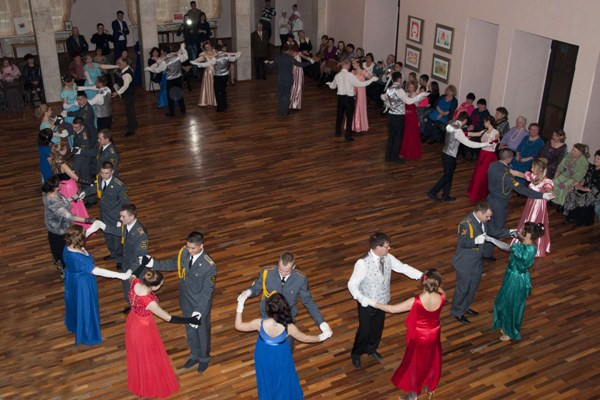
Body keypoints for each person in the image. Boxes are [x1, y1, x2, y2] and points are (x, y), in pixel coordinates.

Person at [235, 292, 332, 400]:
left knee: (265, 375)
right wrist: (322, 336)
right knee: (282, 377)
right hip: (280, 355)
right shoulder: (289, 327)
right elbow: (305, 338)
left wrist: (240, 304)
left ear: (269, 309)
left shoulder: (259, 323)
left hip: (263, 353)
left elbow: (239, 326)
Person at [347, 232, 423, 368]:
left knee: (377, 328)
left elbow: (403, 268)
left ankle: (371, 349)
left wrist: (422, 276)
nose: (389, 248)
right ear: (377, 247)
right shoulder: (362, 263)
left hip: (383, 302)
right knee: (364, 330)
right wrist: (362, 299)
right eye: (386, 246)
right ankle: (356, 354)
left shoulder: (388, 258)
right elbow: (352, 284)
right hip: (367, 304)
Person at [144, 231, 216, 373]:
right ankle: (194, 355)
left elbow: (207, 291)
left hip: (200, 304)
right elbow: (174, 263)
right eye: (188, 247)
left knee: (202, 332)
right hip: (185, 300)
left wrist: (199, 311)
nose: (189, 250)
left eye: (192, 248)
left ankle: (204, 358)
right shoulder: (184, 252)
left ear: (201, 246)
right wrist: (154, 263)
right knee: (190, 330)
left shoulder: (209, 265)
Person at [126, 269, 200, 398]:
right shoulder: (149, 301)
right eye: (160, 284)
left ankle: (140, 374)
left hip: (133, 320)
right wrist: (191, 320)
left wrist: (143, 264)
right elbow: (168, 318)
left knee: (140, 352)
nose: (161, 286)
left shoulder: (135, 283)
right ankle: (149, 381)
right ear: (154, 287)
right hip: (143, 328)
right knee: (148, 355)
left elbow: (131, 275)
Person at [371, 269, 444, 400]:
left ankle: (412, 396)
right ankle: (430, 387)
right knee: (432, 359)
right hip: (434, 333)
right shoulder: (442, 295)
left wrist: (373, 303)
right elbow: (439, 289)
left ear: (423, 282)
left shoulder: (416, 301)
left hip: (420, 336)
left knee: (416, 364)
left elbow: (392, 309)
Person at [237, 252, 332, 352]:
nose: (282, 273)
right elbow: (256, 287)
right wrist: (248, 292)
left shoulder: (300, 279)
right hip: (268, 315)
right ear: (278, 263)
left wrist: (322, 323)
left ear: (294, 267)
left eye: (286, 271)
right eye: (280, 269)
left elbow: (308, 302)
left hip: (287, 319)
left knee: (287, 349)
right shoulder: (266, 272)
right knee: (267, 345)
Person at [63, 224, 130, 346]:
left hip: (73, 280)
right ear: (79, 239)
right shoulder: (78, 258)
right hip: (83, 285)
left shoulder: (68, 246)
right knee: (86, 308)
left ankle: (77, 325)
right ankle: (89, 335)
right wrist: (121, 275)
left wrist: (93, 228)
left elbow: (79, 237)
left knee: (77, 304)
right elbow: (98, 271)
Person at [482, 149, 554, 260]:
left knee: (490, 226)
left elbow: (515, 173)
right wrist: (542, 195)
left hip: (490, 200)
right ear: (509, 159)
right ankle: (487, 253)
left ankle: (484, 249)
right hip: (500, 205)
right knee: (497, 229)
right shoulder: (507, 175)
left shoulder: (493, 165)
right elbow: (521, 189)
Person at [451, 202, 510, 324]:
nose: (489, 219)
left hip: (477, 261)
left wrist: (509, 232)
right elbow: (463, 242)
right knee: (463, 289)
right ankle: (457, 312)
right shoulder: (466, 224)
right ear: (479, 213)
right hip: (465, 262)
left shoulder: (482, 221)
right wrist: (475, 241)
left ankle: (465, 307)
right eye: (487, 216)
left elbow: (492, 231)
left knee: (473, 287)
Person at [492, 222, 545, 341]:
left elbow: (507, 248)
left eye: (523, 229)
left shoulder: (521, 248)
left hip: (516, 280)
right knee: (502, 301)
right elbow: (522, 242)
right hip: (512, 276)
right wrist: (518, 236)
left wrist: (490, 239)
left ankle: (510, 332)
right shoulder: (529, 244)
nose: (520, 229)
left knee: (511, 305)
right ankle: (506, 325)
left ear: (529, 235)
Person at [96, 204, 148, 313]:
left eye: (123, 216)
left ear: (132, 217)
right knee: (127, 287)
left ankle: (137, 308)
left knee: (135, 288)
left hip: (135, 267)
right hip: (126, 262)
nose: (120, 219)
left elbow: (141, 256)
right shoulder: (127, 225)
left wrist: (131, 270)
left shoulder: (140, 234)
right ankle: (132, 304)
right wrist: (103, 226)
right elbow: (118, 231)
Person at [427, 113, 491, 202]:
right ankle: (433, 192)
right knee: (447, 176)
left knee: (449, 175)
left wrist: (466, 136)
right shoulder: (458, 130)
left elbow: (455, 136)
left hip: (445, 153)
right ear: (465, 120)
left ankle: (445, 195)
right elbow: (469, 144)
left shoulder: (451, 123)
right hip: (450, 155)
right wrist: (485, 144)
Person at [42, 176, 95, 278]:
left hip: (56, 227)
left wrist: (74, 196)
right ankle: (63, 268)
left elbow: (63, 201)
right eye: (59, 183)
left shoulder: (51, 193)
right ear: (56, 187)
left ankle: (58, 260)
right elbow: (70, 216)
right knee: (62, 250)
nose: (61, 184)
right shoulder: (52, 202)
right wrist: (87, 220)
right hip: (59, 230)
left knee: (57, 247)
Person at [510, 158, 554, 257]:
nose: (531, 168)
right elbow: (521, 174)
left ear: (539, 169)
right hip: (530, 203)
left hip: (538, 207)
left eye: (533, 167)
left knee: (533, 223)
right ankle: (523, 242)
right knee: (527, 220)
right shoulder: (533, 176)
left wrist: (549, 192)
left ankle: (533, 247)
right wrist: (510, 171)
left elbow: (549, 190)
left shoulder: (546, 181)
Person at [327, 60, 378, 142]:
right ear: (347, 65)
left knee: (339, 115)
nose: (350, 66)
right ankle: (348, 136)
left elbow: (333, 86)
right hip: (349, 98)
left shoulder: (337, 75)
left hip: (340, 98)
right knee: (349, 117)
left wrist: (329, 84)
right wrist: (371, 80)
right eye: (350, 65)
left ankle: (337, 132)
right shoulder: (350, 75)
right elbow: (360, 84)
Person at [382, 72, 428, 161]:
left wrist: (387, 102)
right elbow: (408, 101)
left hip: (391, 116)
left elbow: (384, 98)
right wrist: (421, 95)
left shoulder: (389, 89)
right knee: (398, 137)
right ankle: (395, 157)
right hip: (399, 117)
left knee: (391, 137)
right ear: (399, 79)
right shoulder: (400, 90)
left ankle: (388, 156)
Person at [49, 142, 92, 228]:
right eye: (65, 149)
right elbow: (76, 178)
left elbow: (62, 168)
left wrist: (70, 155)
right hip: (70, 187)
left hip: (62, 187)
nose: (67, 150)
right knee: (75, 206)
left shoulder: (53, 161)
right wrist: (90, 182)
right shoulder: (63, 165)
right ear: (61, 151)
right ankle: (81, 226)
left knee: (67, 206)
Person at [93, 161, 129, 262]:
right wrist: (83, 192)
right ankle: (112, 253)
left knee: (117, 240)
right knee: (108, 237)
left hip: (115, 217)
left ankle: (119, 259)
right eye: (102, 172)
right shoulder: (99, 178)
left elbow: (126, 204)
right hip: (104, 215)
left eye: (107, 173)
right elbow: (96, 188)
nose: (104, 175)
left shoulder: (119, 186)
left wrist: (121, 219)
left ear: (112, 172)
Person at [267, 47, 314, 117]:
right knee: (286, 95)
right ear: (288, 51)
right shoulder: (290, 58)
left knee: (280, 95)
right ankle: (285, 112)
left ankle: (280, 110)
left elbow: (270, 66)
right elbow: (300, 64)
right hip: (288, 80)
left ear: (282, 51)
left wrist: (267, 62)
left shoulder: (278, 58)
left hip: (280, 80)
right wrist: (310, 62)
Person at [147, 43, 188, 116]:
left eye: (161, 52)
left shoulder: (164, 61)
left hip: (170, 80)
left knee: (170, 96)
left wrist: (150, 69)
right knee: (179, 94)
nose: (160, 53)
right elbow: (185, 56)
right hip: (179, 78)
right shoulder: (177, 56)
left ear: (164, 52)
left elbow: (158, 70)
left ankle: (172, 112)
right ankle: (183, 110)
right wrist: (183, 48)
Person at [466, 116, 500, 202]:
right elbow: (473, 134)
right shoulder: (484, 131)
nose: (484, 124)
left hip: (489, 157)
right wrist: (463, 133)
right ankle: (477, 192)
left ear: (488, 122)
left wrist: (494, 141)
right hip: (482, 155)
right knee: (478, 173)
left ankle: (476, 194)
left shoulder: (495, 132)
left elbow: (497, 138)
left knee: (481, 175)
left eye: (485, 122)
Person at [563, 149, 600, 226]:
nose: (595, 160)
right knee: (572, 192)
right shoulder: (592, 168)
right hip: (586, 188)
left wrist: (581, 188)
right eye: (595, 158)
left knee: (583, 198)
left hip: (595, 193)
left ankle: (579, 219)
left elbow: (595, 189)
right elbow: (585, 178)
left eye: (598, 159)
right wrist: (579, 184)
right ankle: (571, 216)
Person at [551, 143, 590, 209]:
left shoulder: (584, 162)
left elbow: (579, 177)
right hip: (565, 174)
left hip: (574, 179)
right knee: (554, 182)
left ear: (580, 153)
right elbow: (560, 167)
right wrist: (555, 177)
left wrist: (572, 186)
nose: (572, 152)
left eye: (575, 151)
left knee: (562, 185)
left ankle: (560, 204)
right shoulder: (568, 155)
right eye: (572, 150)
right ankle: (553, 199)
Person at [400, 81, 424, 160]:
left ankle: (410, 152)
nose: (409, 89)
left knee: (411, 134)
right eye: (409, 87)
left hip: (412, 117)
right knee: (405, 133)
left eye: (411, 87)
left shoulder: (415, 96)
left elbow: (418, 105)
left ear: (414, 88)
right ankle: (404, 151)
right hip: (406, 116)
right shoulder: (406, 94)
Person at [112, 57, 137, 136]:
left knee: (129, 111)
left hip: (128, 94)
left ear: (125, 64)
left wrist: (117, 93)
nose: (118, 65)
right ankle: (134, 123)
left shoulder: (126, 74)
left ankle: (131, 129)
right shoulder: (128, 68)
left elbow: (125, 86)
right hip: (130, 93)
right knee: (131, 110)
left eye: (120, 63)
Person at [191, 41, 217, 107]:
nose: (208, 48)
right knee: (208, 86)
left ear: (210, 45)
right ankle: (207, 100)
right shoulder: (204, 54)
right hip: (207, 73)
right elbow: (198, 60)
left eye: (208, 46)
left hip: (215, 72)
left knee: (215, 86)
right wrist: (193, 62)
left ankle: (215, 100)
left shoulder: (215, 51)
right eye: (206, 47)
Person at [349, 58, 371, 133]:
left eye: (354, 63)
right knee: (353, 107)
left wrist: (369, 77)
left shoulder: (363, 71)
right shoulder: (353, 71)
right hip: (353, 91)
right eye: (352, 63)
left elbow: (370, 78)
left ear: (358, 64)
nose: (353, 65)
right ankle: (352, 125)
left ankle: (359, 125)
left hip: (361, 92)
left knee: (359, 106)